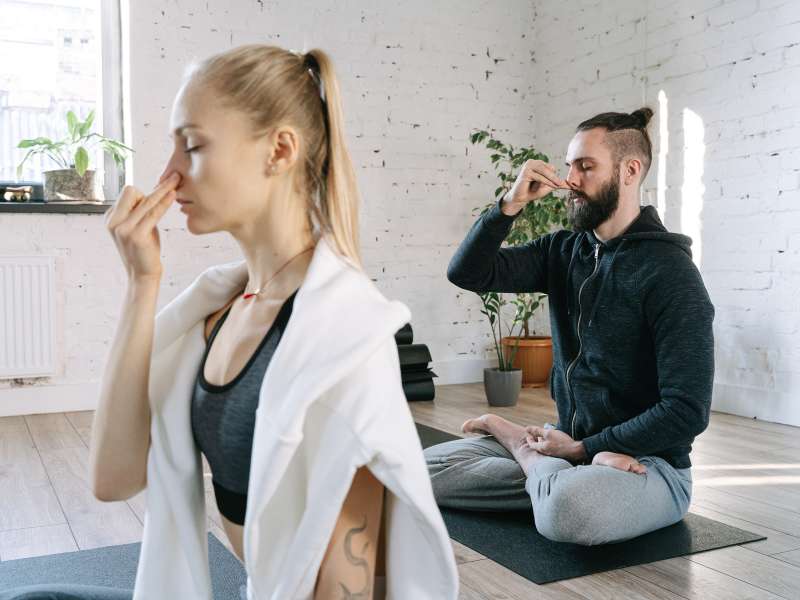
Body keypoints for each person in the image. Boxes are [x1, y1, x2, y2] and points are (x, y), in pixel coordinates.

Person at [0, 45, 458, 600]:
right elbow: (112, 479)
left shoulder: (341, 340)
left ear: (279, 150)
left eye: (191, 146)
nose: (167, 174)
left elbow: (349, 588)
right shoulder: (221, 307)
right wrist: (142, 283)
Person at [424, 108, 715, 546]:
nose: (570, 180)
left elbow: (686, 411)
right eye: (568, 165)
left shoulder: (671, 273)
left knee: (568, 511)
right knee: (420, 472)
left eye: (585, 166)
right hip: (568, 447)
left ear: (630, 170)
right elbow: (468, 272)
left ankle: (529, 456)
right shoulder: (562, 251)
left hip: (649, 468)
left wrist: (585, 448)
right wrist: (510, 204)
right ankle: (548, 472)